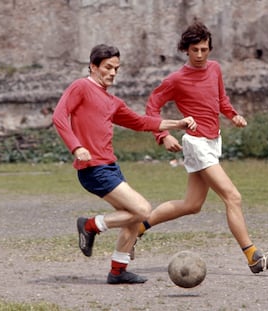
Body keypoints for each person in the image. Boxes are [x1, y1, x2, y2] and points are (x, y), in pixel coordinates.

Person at [136, 21, 268, 274]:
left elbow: (221, 100)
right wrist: (162, 135)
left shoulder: (214, 69)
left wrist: (233, 115)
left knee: (192, 204)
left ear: (209, 48)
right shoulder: (176, 79)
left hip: (214, 141)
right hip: (195, 142)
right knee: (232, 197)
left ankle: (137, 227)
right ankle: (253, 256)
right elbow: (152, 107)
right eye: (195, 50)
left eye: (204, 49)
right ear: (186, 50)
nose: (200, 55)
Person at [52, 44, 197, 284]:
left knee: (133, 218)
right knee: (142, 210)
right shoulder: (81, 87)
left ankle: (118, 270)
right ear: (93, 66)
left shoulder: (112, 101)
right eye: (107, 67)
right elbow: (59, 116)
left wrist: (177, 124)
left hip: (110, 167)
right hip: (93, 169)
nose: (112, 73)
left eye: (116, 69)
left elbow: (141, 122)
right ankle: (90, 225)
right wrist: (77, 147)